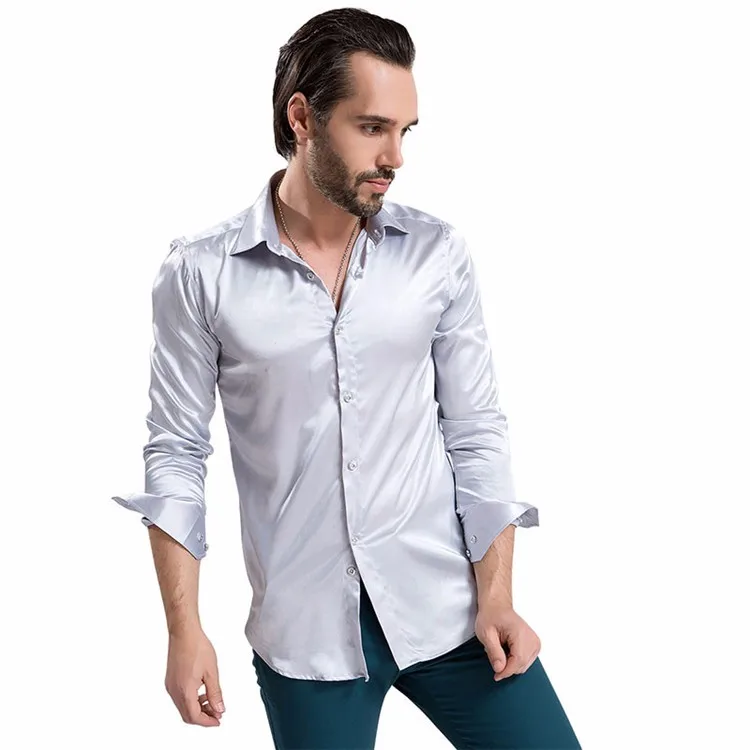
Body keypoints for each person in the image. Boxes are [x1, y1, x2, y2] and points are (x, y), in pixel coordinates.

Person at [112, 7, 581, 749]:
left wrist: (497, 594)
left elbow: (475, 430)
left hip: (452, 612)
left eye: (406, 131)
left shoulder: (437, 255)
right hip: (306, 638)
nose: (395, 156)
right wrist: (184, 629)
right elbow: (176, 454)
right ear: (301, 117)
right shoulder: (201, 273)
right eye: (372, 128)